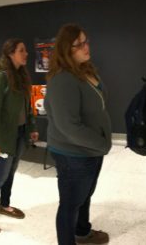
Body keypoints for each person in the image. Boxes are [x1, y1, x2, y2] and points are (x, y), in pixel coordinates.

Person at [44, 24, 112, 245]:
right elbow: (68, 126)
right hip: (73, 154)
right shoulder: (63, 79)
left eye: (86, 41)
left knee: (85, 196)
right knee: (70, 204)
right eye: (79, 44)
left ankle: (82, 231)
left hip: (90, 149)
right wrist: (101, 145)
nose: (86, 47)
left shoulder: (85, 69)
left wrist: (99, 145)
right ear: (66, 49)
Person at [0, 39, 39, 234]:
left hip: (19, 133)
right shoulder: (0, 78)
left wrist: (31, 127)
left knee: (11, 172)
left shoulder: (21, 76)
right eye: (22, 50)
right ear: (11, 53)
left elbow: (27, 107)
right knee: (0, 175)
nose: (26, 53)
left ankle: (4, 205)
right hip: (4, 136)